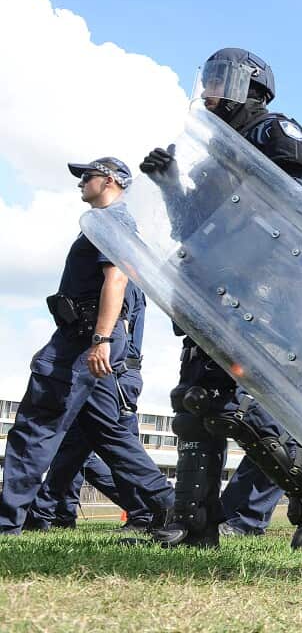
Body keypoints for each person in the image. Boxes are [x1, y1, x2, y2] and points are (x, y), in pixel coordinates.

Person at [139, 48, 302, 549]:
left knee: (233, 403)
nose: (209, 90)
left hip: (267, 291)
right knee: (193, 402)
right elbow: (192, 227)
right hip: (214, 290)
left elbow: (295, 206)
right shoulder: (215, 156)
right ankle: (195, 525)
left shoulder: (273, 132)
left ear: (250, 86)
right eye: (206, 80)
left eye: (220, 79)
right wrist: (170, 184)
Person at [0, 158, 175, 536]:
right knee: (109, 435)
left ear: (109, 180)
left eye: (87, 176)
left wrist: (100, 340)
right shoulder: (107, 223)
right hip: (90, 344)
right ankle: (173, 508)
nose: (81, 182)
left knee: (34, 430)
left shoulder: (111, 222)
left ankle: (6, 523)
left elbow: (116, 281)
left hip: (81, 344)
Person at [27, 282, 152, 533]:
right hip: (115, 370)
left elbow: (115, 322)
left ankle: (149, 510)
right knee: (82, 447)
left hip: (112, 370)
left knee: (112, 446)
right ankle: (51, 513)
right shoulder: (131, 282)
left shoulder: (121, 281)